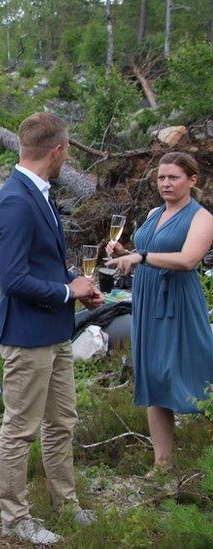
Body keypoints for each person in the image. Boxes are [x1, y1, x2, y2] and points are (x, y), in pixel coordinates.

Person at [0, 112, 103, 545]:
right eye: (66, 150)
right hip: (26, 337)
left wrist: (77, 286)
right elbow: (14, 280)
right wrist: (65, 291)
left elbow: (46, 263)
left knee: (62, 422)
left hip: (55, 331)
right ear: (57, 151)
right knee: (20, 428)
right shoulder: (16, 200)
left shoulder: (39, 192)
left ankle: (66, 504)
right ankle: (15, 519)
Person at [106, 152, 213, 474]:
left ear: (192, 181)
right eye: (161, 178)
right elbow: (146, 254)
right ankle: (163, 464)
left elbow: (187, 260)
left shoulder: (202, 218)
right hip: (148, 298)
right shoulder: (155, 212)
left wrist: (141, 257)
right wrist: (124, 254)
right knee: (153, 375)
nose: (166, 183)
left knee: (193, 371)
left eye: (173, 177)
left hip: (179, 300)